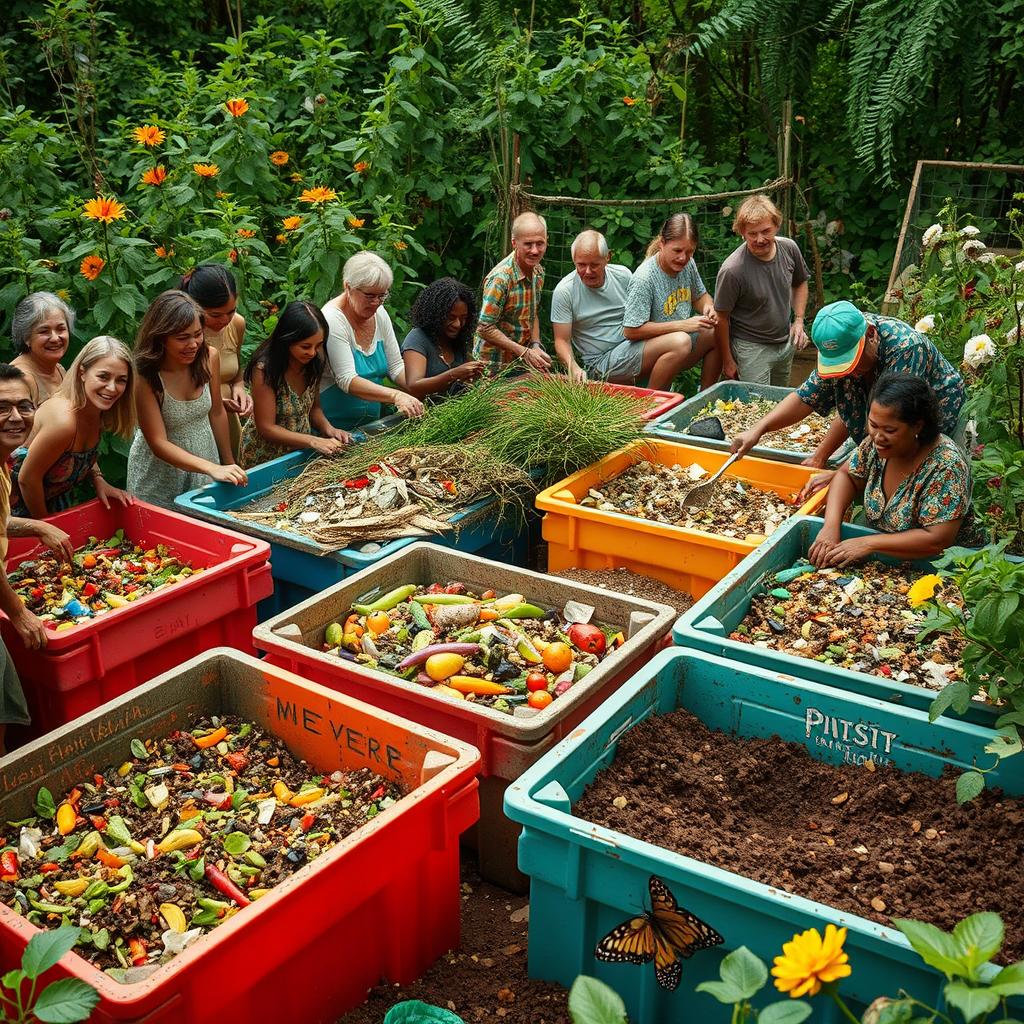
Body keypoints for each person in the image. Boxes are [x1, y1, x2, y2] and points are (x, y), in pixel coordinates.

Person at [730, 301, 966, 497]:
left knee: (917, 491)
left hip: (931, 422)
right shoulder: (843, 340)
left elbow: (893, 432)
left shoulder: (906, 350)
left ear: (871, 335)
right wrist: (759, 430)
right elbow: (809, 398)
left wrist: (845, 475)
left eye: (851, 363)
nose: (848, 373)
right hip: (888, 430)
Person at [808, 374, 971, 568]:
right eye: (873, 425)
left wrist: (867, 544)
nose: (877, 437)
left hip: (942, 565)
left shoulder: (946, 466)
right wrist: (830, 526)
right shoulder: (875, 446)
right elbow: (847, 476)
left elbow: (937, 540)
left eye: (890, 430)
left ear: (917, 426)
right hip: (881, 551)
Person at [0, 364, 77, 752]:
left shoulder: (4, 461)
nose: (16, 416)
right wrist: (18, 611)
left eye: (24, 406)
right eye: (2, 407)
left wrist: (35, 527)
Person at [127, 290, 247, 506]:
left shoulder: (210, 358)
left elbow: (217, 411)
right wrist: (211, 467)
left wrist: (228, 462)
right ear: (160, 337)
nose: (193, 344)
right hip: (159, 475)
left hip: (205, 459)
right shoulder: (145, 376)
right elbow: (158, 443)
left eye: (198, 334)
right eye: (182, 338)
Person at [551, 230, 694, 391]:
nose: (588, 271)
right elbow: (561, 340)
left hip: (634, 345)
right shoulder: (565, 291)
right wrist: (574, 368)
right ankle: (651, 405)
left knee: (705, 333)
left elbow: (640, 315)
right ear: (574, 261)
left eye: (594, 265)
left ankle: (696, 400)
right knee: (679, 342)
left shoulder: (623, 275)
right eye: (581, 265)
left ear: (607, 258)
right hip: (601, 364)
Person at [9, 336, 135, 518]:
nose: (112, 388)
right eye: (103, 376)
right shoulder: (64, 422)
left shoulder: (96, 410)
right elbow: (27, 480)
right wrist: (46, 527)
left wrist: (99, 480)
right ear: (82, 373)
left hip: (47, 507)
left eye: (121, 380)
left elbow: (79, 456)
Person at [239, 300, 352, 468]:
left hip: (299, 452)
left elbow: (314, 409)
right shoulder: (265, 370)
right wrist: (313, 441)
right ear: (287, 339)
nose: (312, 352)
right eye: (305, 346)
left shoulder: (314, 363)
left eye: (318, 345)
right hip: (265, 458)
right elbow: (267, 428)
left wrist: (330, 430)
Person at [319, 251, 424, 430]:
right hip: (334, 429)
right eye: (369, 296)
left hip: (370, 427)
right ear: (348, 287)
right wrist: (397, 396)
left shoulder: (379, 313)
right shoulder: (331, 319)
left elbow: (396, 366)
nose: (376, 302)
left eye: (382, 295)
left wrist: (422, 386)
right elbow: (347, 379)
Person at [714, 194, 810, 384]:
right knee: (757, 405)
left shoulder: (789, 248)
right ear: (742, 232)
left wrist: (798, 320)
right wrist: (727, 360)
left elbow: (800, 282)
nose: (760, 239)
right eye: (752, 233)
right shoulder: (732, 270)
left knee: (780, 401)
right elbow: (721, 318)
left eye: (766, 231)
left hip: (785, 342)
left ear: (776, 225)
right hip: (751, 348)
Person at [621, 213, 722, 390]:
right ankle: (654, 406)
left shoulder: (688, 264)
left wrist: (709, 307)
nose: (683, 257)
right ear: (662, 244)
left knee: (717, 328)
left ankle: (706, 399)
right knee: (680, 340)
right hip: (640, 354)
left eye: (690, 251)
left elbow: (699, 296)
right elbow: (631, 331)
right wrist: (683, 325)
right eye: (677, 250)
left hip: (677, 345)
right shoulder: (645, 278)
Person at [179, 265, 253, 458]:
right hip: (194, 420)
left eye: (231, 311)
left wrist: (239, 388)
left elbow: (235, 372)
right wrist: (216, 402)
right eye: (215, 315)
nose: (225, 320)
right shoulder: (182, 336)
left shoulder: (236, 324)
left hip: (226, 419)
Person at [473, 212, 553, 372]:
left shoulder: (538, 271)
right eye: (528, 244)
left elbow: (532, 311)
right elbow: (484, 328)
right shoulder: (501, 279)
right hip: (492, 366)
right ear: (514, 243)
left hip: (519, 362)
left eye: (540, 243)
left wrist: (536, 345)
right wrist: (523, 352)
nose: (535, 250)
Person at [401, 278, 486, 400]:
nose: (457, 324)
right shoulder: (418, 338)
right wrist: (454, 374)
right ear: (436, 314)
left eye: (463, 318)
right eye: (451, 317)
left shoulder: (458, 340)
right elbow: (414, 386)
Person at [10, 292, 73, 406]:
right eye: (44, 331)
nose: (55, 338)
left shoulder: (59, 369)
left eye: (61, 329)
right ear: (26, 337)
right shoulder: (20, 379)